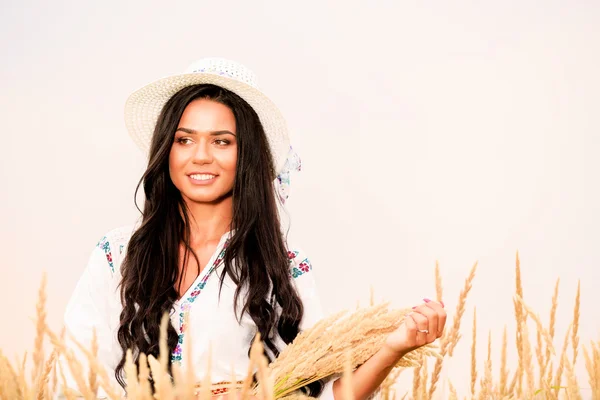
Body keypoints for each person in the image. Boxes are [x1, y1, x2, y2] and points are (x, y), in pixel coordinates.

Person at [60, 57, 447, 399]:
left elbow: (323, 393)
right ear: (167, 150)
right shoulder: (118, 255)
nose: (200, 156)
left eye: (222, 141)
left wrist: (393, 348)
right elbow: (76, 373)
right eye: (184, 139)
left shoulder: (282, 268)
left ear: (246, 153)